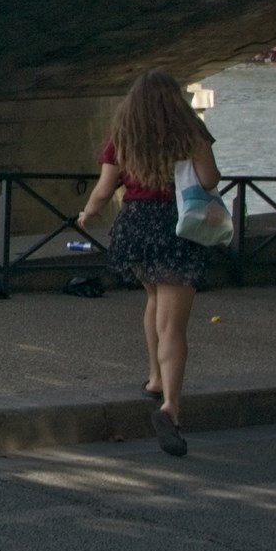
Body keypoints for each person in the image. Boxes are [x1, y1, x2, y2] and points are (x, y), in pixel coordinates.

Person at [80, 69, 220, 457]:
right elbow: (209, 179)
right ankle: (171, 407)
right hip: (177, 225)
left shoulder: (123, 134)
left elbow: (106, 189)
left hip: (136, 226)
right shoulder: (190, 132)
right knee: (173, 323)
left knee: (155, 300)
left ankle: (156, 378)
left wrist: (87, 214)